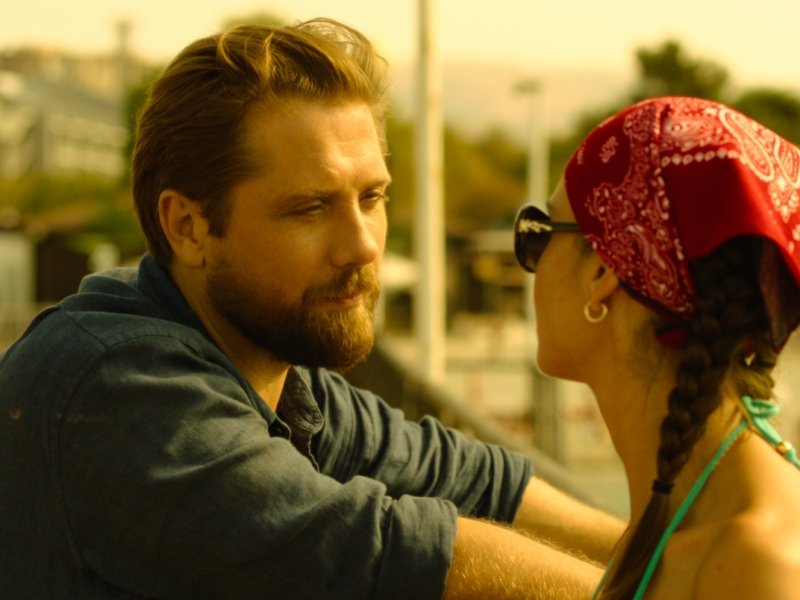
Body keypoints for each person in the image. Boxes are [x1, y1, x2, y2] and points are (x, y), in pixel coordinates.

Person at [0, 18, 622, 599]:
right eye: (309, 208)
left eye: (371, 197)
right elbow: (397, 554)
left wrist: (663, 558)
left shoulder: (269, 367)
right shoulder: (116, 385)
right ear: (187, 226)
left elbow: (477, 481)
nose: (363, 245)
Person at [514, 96, 800, 599]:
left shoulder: (757, 566)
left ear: (603, 272)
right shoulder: (688, 518)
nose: (531, 261)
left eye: (539, 231)